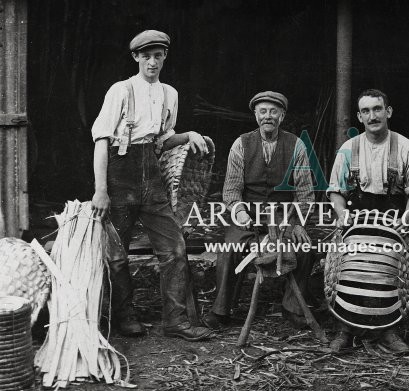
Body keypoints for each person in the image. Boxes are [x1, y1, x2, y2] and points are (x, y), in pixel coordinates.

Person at [91, 30, 214, 341]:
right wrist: (101, 190)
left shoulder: (170, 94)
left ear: (164, 57)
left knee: (174, 249)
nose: (152, 61)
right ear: (136, 57)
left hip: (153, 175)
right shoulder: (121, 90)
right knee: (117, 255)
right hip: (121, 173)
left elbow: (162, 140)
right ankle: (125, 317)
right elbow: (102, 140)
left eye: (158, 55)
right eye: (146, 56)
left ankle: (176, 321)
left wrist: (188, 135)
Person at [203, 91, 316, 329]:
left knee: (305, 249)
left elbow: (305, 193)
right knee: (229, 248)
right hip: (249, 217)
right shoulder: (241, 145)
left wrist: (295, 222)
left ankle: (292, 307)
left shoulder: (297, 146)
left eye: (274, 112)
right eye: (263, 111)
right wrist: (241, 213)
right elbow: (231, 191)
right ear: (256, 115)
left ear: (282, 116)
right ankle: (222, 309)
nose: (268, 116)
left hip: (283, 218)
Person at [326, 89, 409, 354]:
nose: (373, 116)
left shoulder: (406, 148)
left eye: (378, 109)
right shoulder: (349, 149)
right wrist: (341, 214)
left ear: (388, 112)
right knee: (346, 264)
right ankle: (344, 329)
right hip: (357, 219)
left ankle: (388, 330)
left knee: (395, 266)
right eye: (366, 111)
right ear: (360, 117)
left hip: (393, 221)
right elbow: (336, 190)